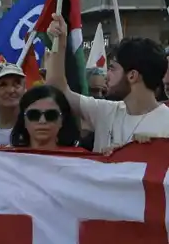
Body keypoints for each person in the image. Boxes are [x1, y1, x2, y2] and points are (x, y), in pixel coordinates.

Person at [45, 15, 169, 153]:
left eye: (112, 68)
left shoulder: (166, 122)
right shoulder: (105, 112)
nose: (106, 75)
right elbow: (57, 90)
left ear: (132, 76)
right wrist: (60, 43)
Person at [10, 85, 80, 150]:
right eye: (34, 115)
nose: (42, 121)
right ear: (24, 120)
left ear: (62, 120)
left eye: (51, 115)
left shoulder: (81, 160)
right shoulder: (7, 158)